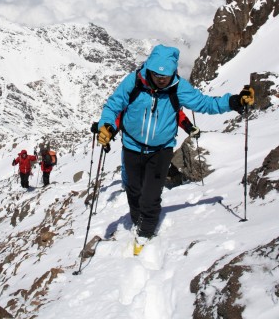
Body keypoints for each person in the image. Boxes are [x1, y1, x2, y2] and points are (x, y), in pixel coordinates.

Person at [96, 44, 254, 255]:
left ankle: (145, 232)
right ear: (149, 69)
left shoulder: (179, 88)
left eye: (166, 76)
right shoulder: (133, 82)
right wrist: (105, 126)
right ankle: (137, 219)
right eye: (157, 75)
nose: (162, 80)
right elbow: (113, 106)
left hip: (161, 150)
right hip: (132, 146)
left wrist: (234, 101)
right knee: (133, 189)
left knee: (150, 196)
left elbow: (206, 104)